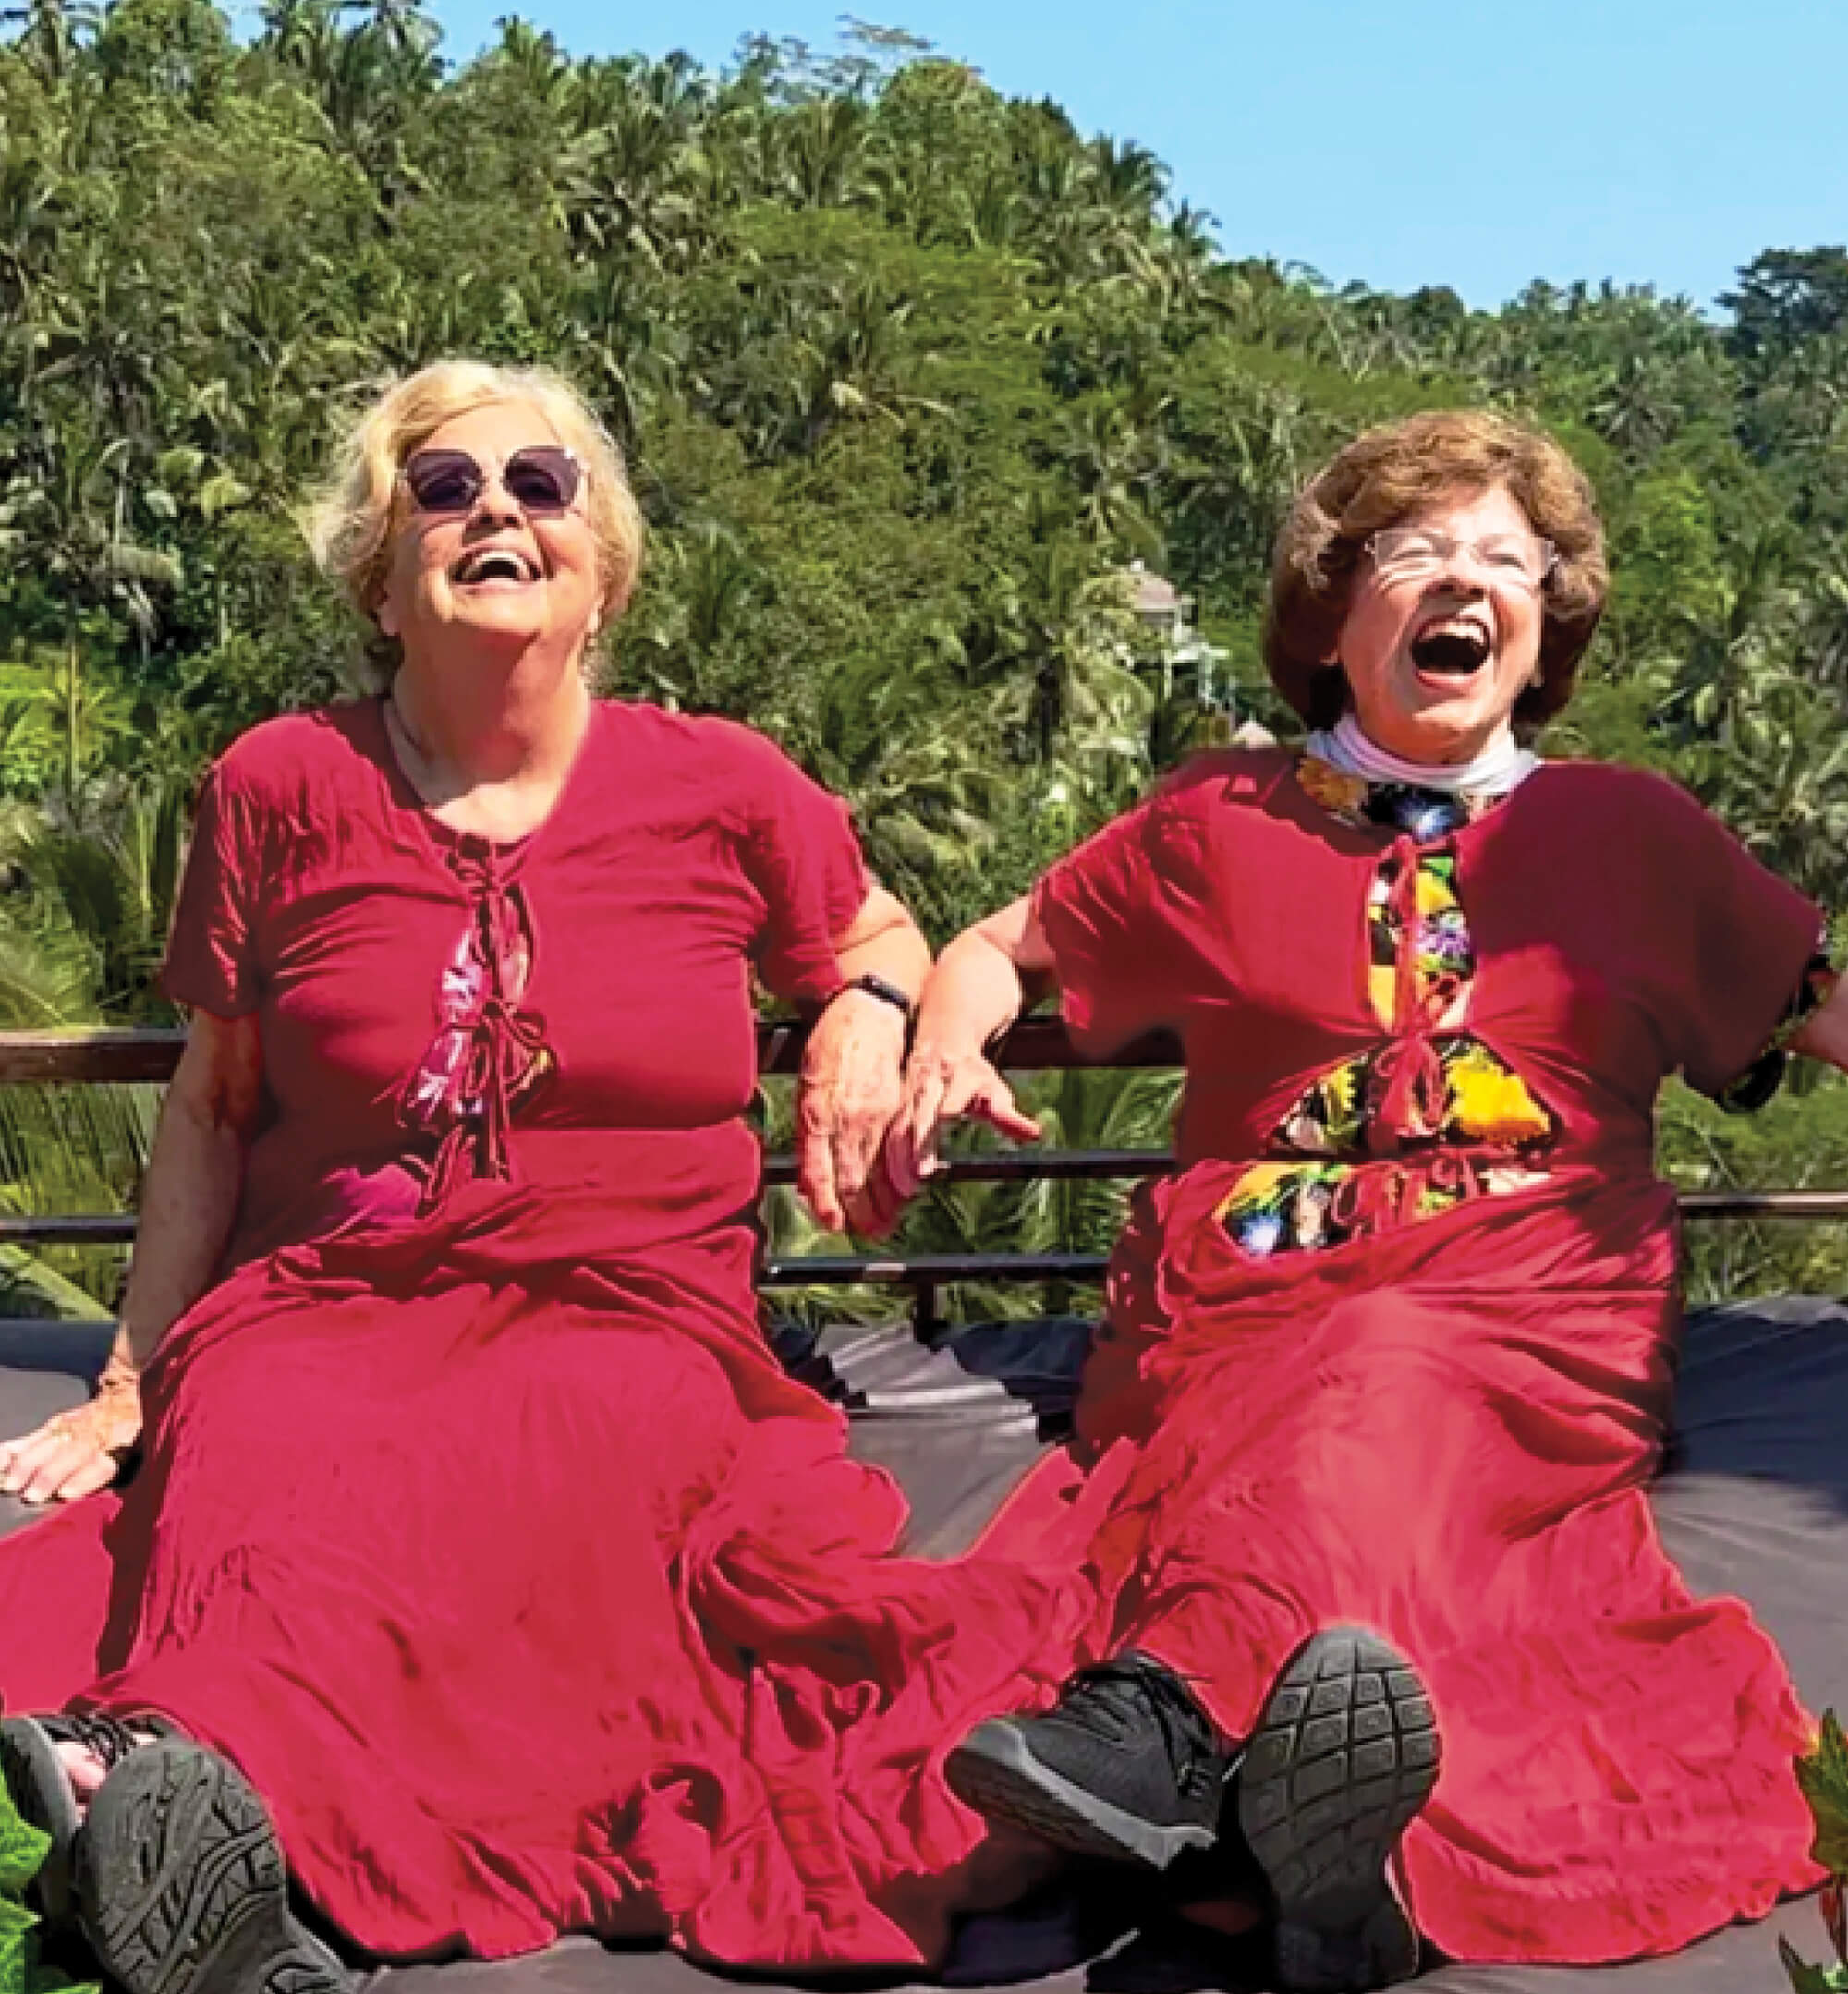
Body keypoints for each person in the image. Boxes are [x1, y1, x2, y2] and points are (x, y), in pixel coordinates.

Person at [0, 359, 1011, 1994]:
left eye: (541, 487)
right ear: (379, 577)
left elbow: (881, 930)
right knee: (269, 1442)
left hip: (632, 1311)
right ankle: (199, 1819)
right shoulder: (277, 785)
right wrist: (133, 1376)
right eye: (445, 491)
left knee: (575, 1438)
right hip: (321, 1301)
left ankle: (215, 1838)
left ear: (600, 564)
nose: (497, 515)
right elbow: (213, 1103)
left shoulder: (727, 786)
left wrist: (867, 1015)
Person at [884, 409, 1848, 1991]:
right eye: (1418, 553)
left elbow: (1816, 999)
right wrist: (936, 1033)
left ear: (1545, 626)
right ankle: (1305, 1857)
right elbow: (1002, 944)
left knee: (1381, 1369)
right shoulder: (1215, 823)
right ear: (1337, 615)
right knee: (1299, 1408)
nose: (1467, 583)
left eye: (1505, 562)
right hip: (1237, 1293)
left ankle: (1163, 1724)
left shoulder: (1636, 830)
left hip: (1535, 1297)